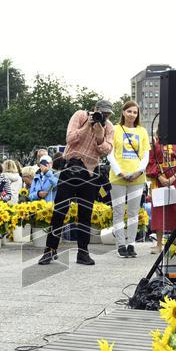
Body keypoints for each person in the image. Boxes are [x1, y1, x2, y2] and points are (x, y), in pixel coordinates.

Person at [39, 100, 115, 266]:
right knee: (59, 211)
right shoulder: (80, 115)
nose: (104, 116)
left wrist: (100, 135)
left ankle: (83, 252)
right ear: (94, 109)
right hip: (71, 167)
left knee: (85, 214)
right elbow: (70, 139)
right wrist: (88, 126)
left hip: (90, 172)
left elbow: (106, 151)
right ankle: (50, 250)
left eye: (107, 114)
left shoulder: (109, 127)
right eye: (102, 113)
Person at [108, 100, 149, 258]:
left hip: (137, 177)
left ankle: (131, 243)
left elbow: (146, 155)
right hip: (118, 177)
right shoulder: (115, 129)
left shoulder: (142, 132)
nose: (132, 114)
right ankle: (120, 245)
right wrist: (120, 172)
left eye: (135, 112)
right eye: (129, 111)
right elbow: (110, 153)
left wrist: (138, 172)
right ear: (123, 112)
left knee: (133, 212)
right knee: (118, 212)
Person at [146, 133, 176, 254]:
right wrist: (160, 177)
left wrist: (173, 178)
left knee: (175, 212)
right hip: (159, 181)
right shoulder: (155, 143)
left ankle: (175, 245)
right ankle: (159, 244)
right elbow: (151, 161)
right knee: (159, 212)